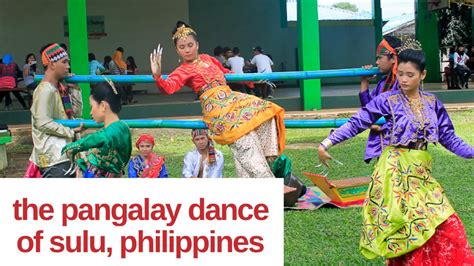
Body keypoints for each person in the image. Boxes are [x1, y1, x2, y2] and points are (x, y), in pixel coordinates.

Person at [317, 44, 474, 264]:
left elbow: (448, 137)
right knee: (407, 227)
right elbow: (358, 122)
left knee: (447, 224)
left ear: (423, 75)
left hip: (422, 174)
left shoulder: (432, 103)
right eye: (400, 74)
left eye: (410, 75)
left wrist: (472, 153)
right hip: (395, 173)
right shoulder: (387, 100)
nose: (404, 79)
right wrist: (327, 142)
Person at [150, 21, 286, 178]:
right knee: (243, 138)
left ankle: (266, 162)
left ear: (197, 45)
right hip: (215, 107)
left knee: (267, 112)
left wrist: (253, 80)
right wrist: (158, 76)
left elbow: (226, 73)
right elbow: (168, 87)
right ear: (177, 51)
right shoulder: (183, 70)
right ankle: (266, 181)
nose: (187, 50)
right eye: (182, 47)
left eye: (190, 45)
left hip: (232, 99)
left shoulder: (208, 59)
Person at [29, 43, 83, 177]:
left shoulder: (60, 89)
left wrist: (75, 89)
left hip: (64, 154)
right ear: (52, 64)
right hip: (53, 157)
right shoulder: (44, 90)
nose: (68, 66)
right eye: (64, 62)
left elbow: (76, 114)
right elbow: (42, 122)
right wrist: (70, 131)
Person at [62, 80, 131, 178]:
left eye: (92, 107)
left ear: (103, 106)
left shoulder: (111, 132)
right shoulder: (123, 127)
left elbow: (97, 138)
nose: (90, 112)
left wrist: (73, 146)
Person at [359, 36, 402, 163]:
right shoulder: (383, 83)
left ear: (393, 58)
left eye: (379, 58)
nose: (377, 62)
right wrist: (364, 80)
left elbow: (406, 115)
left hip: (402, 146)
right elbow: (368, 109)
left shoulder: (404, 84)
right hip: (384, 145)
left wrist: (381, 127)